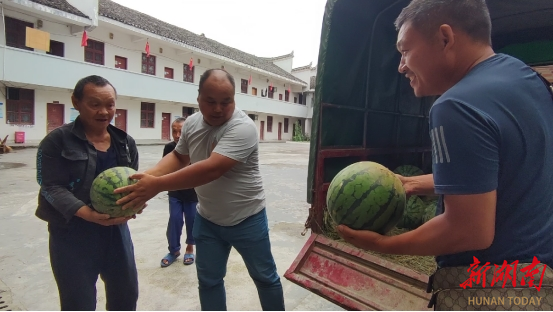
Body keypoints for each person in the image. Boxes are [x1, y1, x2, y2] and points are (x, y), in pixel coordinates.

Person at [336, 0, 553, 308]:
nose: (401, 66)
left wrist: (384, 244)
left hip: (491, 293)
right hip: (538, 284)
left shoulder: (455, 106)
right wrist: (412, 183)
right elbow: (490, 172)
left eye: (404, 50)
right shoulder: (528, 81)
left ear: (445, 38)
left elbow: (469, 231)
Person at [114, 68, 285, 311]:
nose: (218, 109)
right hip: (208, 220)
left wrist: (156, 186)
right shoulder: (192, 123)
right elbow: (179, 156)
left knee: (265, 279)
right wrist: (145, 178)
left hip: (247, 218)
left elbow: (210, 169)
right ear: (198, 99)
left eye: (226, 102)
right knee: (209, 282)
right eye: (210, 101)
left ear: (234, 99)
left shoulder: (243, 128)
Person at [35, 75, 140, 310]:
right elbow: (49, 185)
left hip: (116, 233)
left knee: (126, 298)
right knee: (78, 303)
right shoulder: (56, 141)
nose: (104, 111)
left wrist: (135, 202)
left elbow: (133, 182)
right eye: (95, 104)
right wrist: (87, 213)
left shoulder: (125, 142)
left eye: (110, 104)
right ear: (76, 102)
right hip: (71, 233)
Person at [160, 117, 198, 267]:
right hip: (175, 193)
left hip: (193, 194)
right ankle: (174, 251)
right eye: (174, 131)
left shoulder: (196, 148)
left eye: (180, 132)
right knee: (175, 220)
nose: (176, 135)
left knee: (192, 220)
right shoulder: (169, 148)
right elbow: (165, 168)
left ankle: (190, 247)